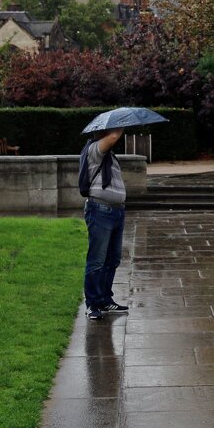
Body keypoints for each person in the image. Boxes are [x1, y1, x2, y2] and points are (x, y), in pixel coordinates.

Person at [82, 127, 130, 321]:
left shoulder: (110, 156)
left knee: (112, 259)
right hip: (100, 210)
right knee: (97, 260)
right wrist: (121, 125)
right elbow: (111, 138)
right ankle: (92, 304)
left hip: (117, 211)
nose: (116, 135)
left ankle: (104, 299)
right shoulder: (94, 149)